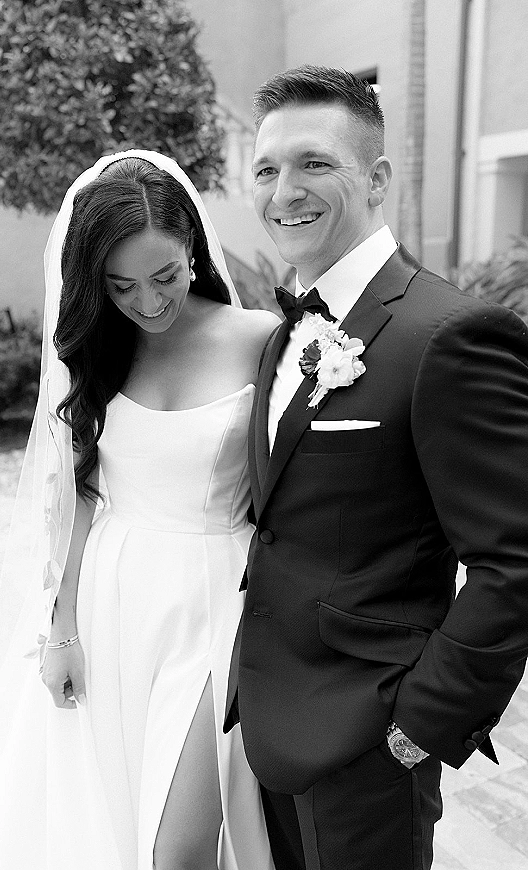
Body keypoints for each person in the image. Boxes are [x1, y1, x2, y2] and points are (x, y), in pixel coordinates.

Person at [224, 66, 528, 870]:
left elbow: (514, 563)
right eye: (266, 168)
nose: (284, 191)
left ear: (378, 179)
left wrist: (418, 727)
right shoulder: (282, 333)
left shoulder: (450, 335)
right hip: (267, 726)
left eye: (314, 163)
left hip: (368, 744)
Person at [0, 150, 279, 870]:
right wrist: (61, 628)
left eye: (165, 275)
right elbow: (81, 496)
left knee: (178, 849)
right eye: (122, 286)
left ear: (192, 248)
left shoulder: (260, 338)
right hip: (111, 595)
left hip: (217, 600)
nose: (148, 302)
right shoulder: (97, 353)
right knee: (111, 814)